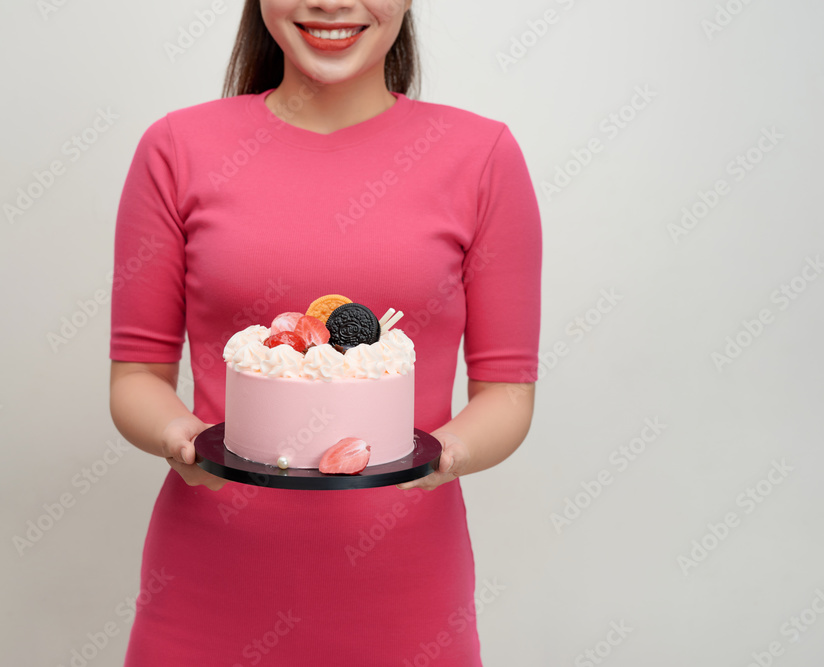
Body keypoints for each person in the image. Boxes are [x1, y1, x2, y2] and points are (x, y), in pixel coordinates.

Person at [109, 0, 541, 664]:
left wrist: (443, 452)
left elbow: (507, 392)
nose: (331, 2)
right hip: (204, 598)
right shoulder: (175, 148)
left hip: (408, 606)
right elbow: (137, 377)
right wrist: (183, 437)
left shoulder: (482, 157)